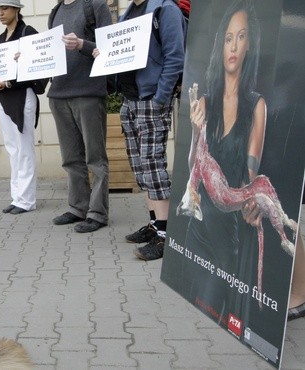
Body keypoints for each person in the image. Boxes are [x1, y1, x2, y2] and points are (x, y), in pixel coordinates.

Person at [185, 0, 265, 313]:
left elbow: (251, 178)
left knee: (213, 308)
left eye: (241, 37)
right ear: (221, 45)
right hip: (199, 230)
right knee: (196, 305)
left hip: (228, 236)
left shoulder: (256, 106)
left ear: (249, 44)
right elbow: (194, 169)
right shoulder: (204, 103)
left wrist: (255, 202)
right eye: (229, 37)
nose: (233, 45)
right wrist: (194, 133)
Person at [103, 0, 185, 259]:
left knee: (153, 164)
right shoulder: (130, 12)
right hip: (130, 100)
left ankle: (165, 234)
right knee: (140, 166)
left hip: (151, 99)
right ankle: (155, 223)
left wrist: (161, 97)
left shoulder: (165, 9)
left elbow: (175, 57)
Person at [47, 0, 112, 233]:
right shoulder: (55, 11)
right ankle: (77, 208)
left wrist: (83, 44)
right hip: (58, 94)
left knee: (95, 157)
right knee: (70, 158)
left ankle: (97, 213)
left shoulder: (95, 6)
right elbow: (49, 53)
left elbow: (109, 47)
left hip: (88, 93)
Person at [0, 0, 39, 215]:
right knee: (12, 148)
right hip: (5, 98)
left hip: (22, 96)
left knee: (24, 147)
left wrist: (10, 81)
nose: (0, 13)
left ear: (16, 10)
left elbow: (35, 69)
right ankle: (17, 196)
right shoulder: (0, 39)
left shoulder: (28, 33)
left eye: (5, 9)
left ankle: (27, 200)